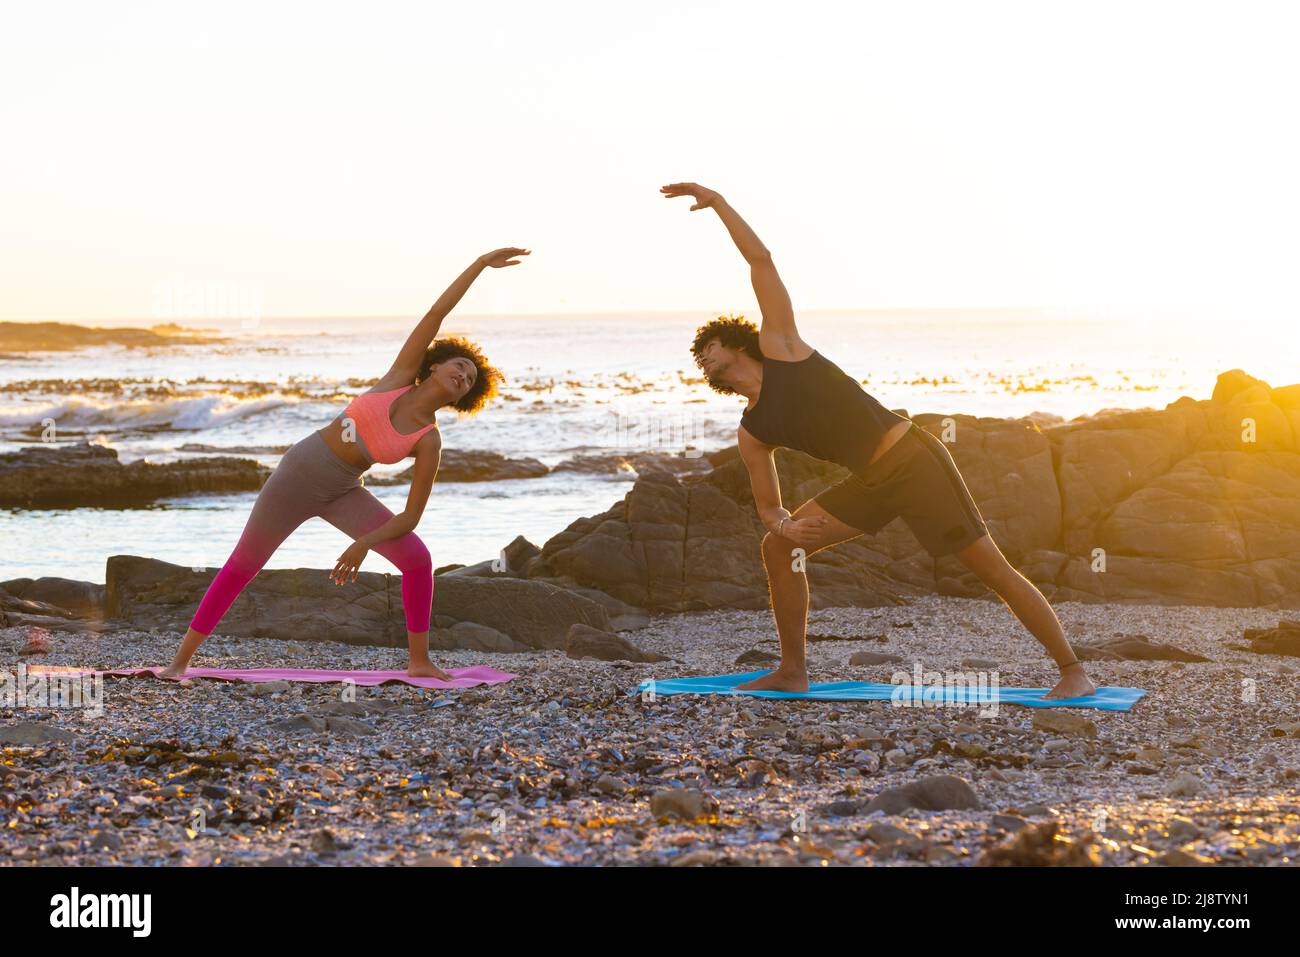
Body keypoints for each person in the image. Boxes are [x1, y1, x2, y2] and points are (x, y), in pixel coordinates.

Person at [661, 181, 1094, 699]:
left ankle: (1074, 673)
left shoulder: (783, 347)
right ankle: (793, 671)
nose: (703, 357)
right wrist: (785, 526)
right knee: (777, 548)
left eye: (708, 346)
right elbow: (767, 505)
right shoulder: (752, 431)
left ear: (734, 343)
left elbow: (762, 261)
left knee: (991, 570)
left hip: (913, 460)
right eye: (700, 356)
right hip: (871, 483)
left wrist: (720, 205)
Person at [161, 247, 529, 679]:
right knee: (244, 564)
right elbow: (437, 312)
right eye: (460, 365)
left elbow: (411, 516)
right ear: (434, 365)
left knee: (416, 559)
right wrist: (480, 266)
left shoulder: (429, 440)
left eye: (469, 381)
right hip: (300, 473)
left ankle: (419, 661)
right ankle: (179, 663)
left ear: (463, 398)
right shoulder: (398, 377)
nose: (463, 376)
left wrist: (364, 543)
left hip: (341, 490)